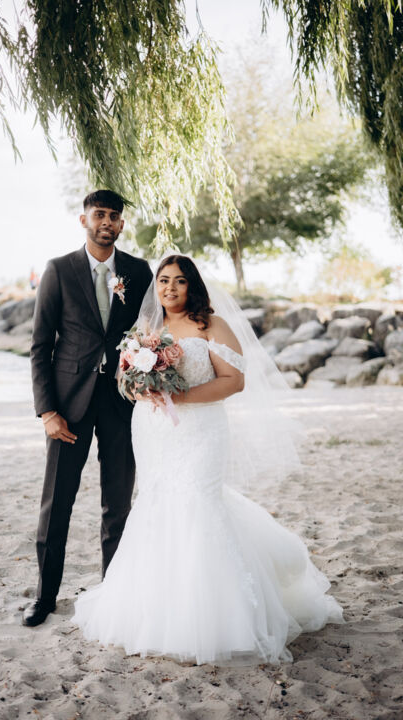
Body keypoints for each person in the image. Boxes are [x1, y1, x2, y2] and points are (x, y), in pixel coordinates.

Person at [72, 255, 343, 665]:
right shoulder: (146, 328)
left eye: (179, 281)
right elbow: (125, 380)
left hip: (200, 430)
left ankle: (213, 615)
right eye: (164, 280)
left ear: (192, 286)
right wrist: (138, 388)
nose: (170, 288)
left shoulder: (211, 325)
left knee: (198, 502)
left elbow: (234, 381)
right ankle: (158, 610)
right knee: (156, 503)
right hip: (153, 429)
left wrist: (180, 397)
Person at [23, 190, 153, 627]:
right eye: (100, 214)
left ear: (121, 224)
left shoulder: (138, 271)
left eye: (114, 216)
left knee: (118, 506)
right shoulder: (59, 270)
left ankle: (114, 596)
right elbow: (40, 346)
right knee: (56, 504)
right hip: (68, 407)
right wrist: (47, 411)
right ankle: (44, 598)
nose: (107, 222)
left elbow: (149, 332)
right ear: (84, 220)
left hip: (122, 404)